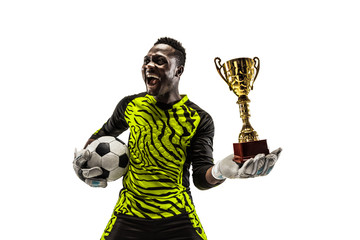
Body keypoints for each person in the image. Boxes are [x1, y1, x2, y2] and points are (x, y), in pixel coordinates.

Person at [73, 37, 282, 240]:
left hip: (178, 216)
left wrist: (221, 170)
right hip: (129, 214)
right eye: (147, 60)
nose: (149, 65)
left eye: (159, 61)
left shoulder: (199, 119)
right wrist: (83, 166)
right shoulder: (130, 105)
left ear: (178, 70)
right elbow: (99, 140)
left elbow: (201, 177)